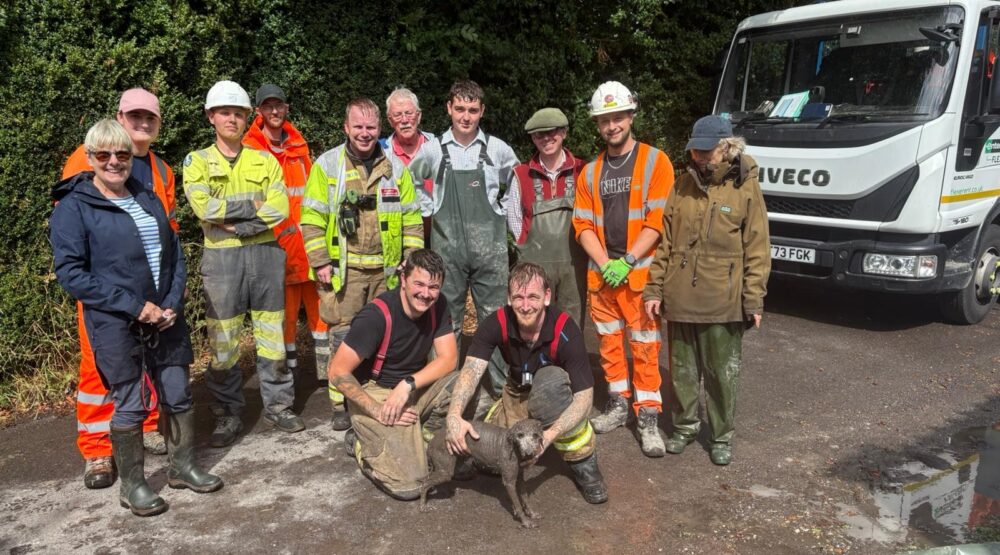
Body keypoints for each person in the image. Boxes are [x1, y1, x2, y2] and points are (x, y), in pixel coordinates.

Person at [50, 119, 223, 516]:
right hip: (117, 322)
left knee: (178, 391)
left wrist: (171, 302)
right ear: (90, 158)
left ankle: (182, 467)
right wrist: (135, 306)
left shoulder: (146, 197)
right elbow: (73, 274)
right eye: (104, 154)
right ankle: (134, 486)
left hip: (165, 316)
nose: (115, 162)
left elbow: (174, 253)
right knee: (129, 402)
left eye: (123, 154)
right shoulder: (74, 208)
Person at [61, 88, 175, 488]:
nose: (142, 124)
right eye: (135, 117)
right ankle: (96, 450)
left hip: (150, 291)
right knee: (99, 369)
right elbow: (74, 236)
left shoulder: (161, 170)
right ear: (120, 117)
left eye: (150, 119)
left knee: (147, 362)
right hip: (105, 294)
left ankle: (143, 427)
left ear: (158, 125)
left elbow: (168, 233)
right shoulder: (86, 158)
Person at [643, 115, 770, 465]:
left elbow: (757, 247)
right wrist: (654, 289)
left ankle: (720, 436)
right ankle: (684, 427)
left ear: (727, 147)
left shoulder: (745, 188)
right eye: (694, 151)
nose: (698, 157)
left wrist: (753, 298)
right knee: (682, 372)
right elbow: (665, 243)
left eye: (706, 151)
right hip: (680, 296)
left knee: (721, 375)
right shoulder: (681, 185)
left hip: (723, 300)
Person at [183, 80, 297, 447]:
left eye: (238, 113)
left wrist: (233, 222)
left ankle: (279, 407)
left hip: (265, 257)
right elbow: (203, 207)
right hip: (222, 260)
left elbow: (279, 208)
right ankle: (227, 414)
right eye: (224, 112)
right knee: (223, 341)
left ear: (248, 117)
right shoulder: (197, 161)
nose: (232, 119)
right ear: (210, 117)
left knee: (272, 338)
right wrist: (253, 209)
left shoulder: (264, 159)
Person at [301, 97, 424, 431]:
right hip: (345, 273)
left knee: (385, 335)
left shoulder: (396, 168)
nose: (365, 133)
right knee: (343, 337)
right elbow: (310, 217)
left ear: (379, 128)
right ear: (346, 127)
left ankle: (376, 395)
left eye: (371, 127)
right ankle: (341, 403)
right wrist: (320, 261)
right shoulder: (328, 166)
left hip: (387, 273)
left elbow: (412, 217)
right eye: (358, 126)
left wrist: (411, 263)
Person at [446, 262, 608, 504]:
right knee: (455, 391)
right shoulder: (497, 322)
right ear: (509, 298)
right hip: (517, 392)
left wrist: (550, 436)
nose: (525, 305)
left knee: (549, 385)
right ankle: (463, 448)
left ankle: (583, 462)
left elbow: (585, 398)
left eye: (533, 296)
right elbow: (470, 370)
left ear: (546, 297)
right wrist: (453, 415)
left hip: (555, 397)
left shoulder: (566, 330)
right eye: (518, 297)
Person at [572, 81, 674, 457]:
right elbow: (582, 225)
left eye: (617, 117)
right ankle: (618, 404)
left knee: (645, 346)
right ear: (597, 125)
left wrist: (627, 260)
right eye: (604, 120)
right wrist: (604, 263)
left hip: (639, 275)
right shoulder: (590, 172)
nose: (612, 125)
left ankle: (648, 416)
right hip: (603, 278)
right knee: (610, 344)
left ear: (631, 116)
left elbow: (658, 220)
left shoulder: (655, 161)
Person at [410, 80, 519, 414]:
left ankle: (501, 388)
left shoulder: (498, 150)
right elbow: (412, 181)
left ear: (482, 111)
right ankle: (446, 388)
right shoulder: (432, 150)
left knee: (496, 317)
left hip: (490, 250)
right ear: (449, 109)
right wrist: (428, 208)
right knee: (447, 319)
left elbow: (516, 183)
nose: (466, 116)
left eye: (473, 110)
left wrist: (503, 210)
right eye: (460, 109)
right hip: (448, 249)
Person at [327, 249, 457, 500]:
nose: (425, 294)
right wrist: (376, 410)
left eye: (433, 287)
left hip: (410, 387)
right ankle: (361, 445)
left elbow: (449, 359)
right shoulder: (376, 316)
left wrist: (408, 384)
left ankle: (428, 443)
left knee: (464, 382)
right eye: (418, 283)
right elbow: (337, 371)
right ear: (403, 279)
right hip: (375, 391)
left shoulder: (438, 305)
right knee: (410, 487)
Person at [242, 84, 329, 385]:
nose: (275, 111)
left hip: (307, 249)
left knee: (322, 318)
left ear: (286, 108)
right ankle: (286, 378)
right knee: (282, 321)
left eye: (279, 105)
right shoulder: (250, 151)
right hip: (273, 251)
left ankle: (327, 377)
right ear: (258, 112)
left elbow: (315, 198)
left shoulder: (300, 148)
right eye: (268, 106)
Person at [506, 107, 588, 326]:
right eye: (539, 134)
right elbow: (513, 216)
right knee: (532, 320)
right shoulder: (521, 174)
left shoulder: (583, 170)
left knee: (572, 324)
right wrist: (523, 242)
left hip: (574, 264)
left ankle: (569, 361)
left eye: (552, 132)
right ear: (533, 138)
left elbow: (593, 214)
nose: (546, 138)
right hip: (534, 264)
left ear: (564, 133)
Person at [382, 87, 435, 242]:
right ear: (390, 121)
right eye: (398, 115)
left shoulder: (438, 148)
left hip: (437, 235)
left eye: (409, 113)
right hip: (398, 237)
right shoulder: (381, 153)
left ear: (418, 116)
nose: (404, 120)